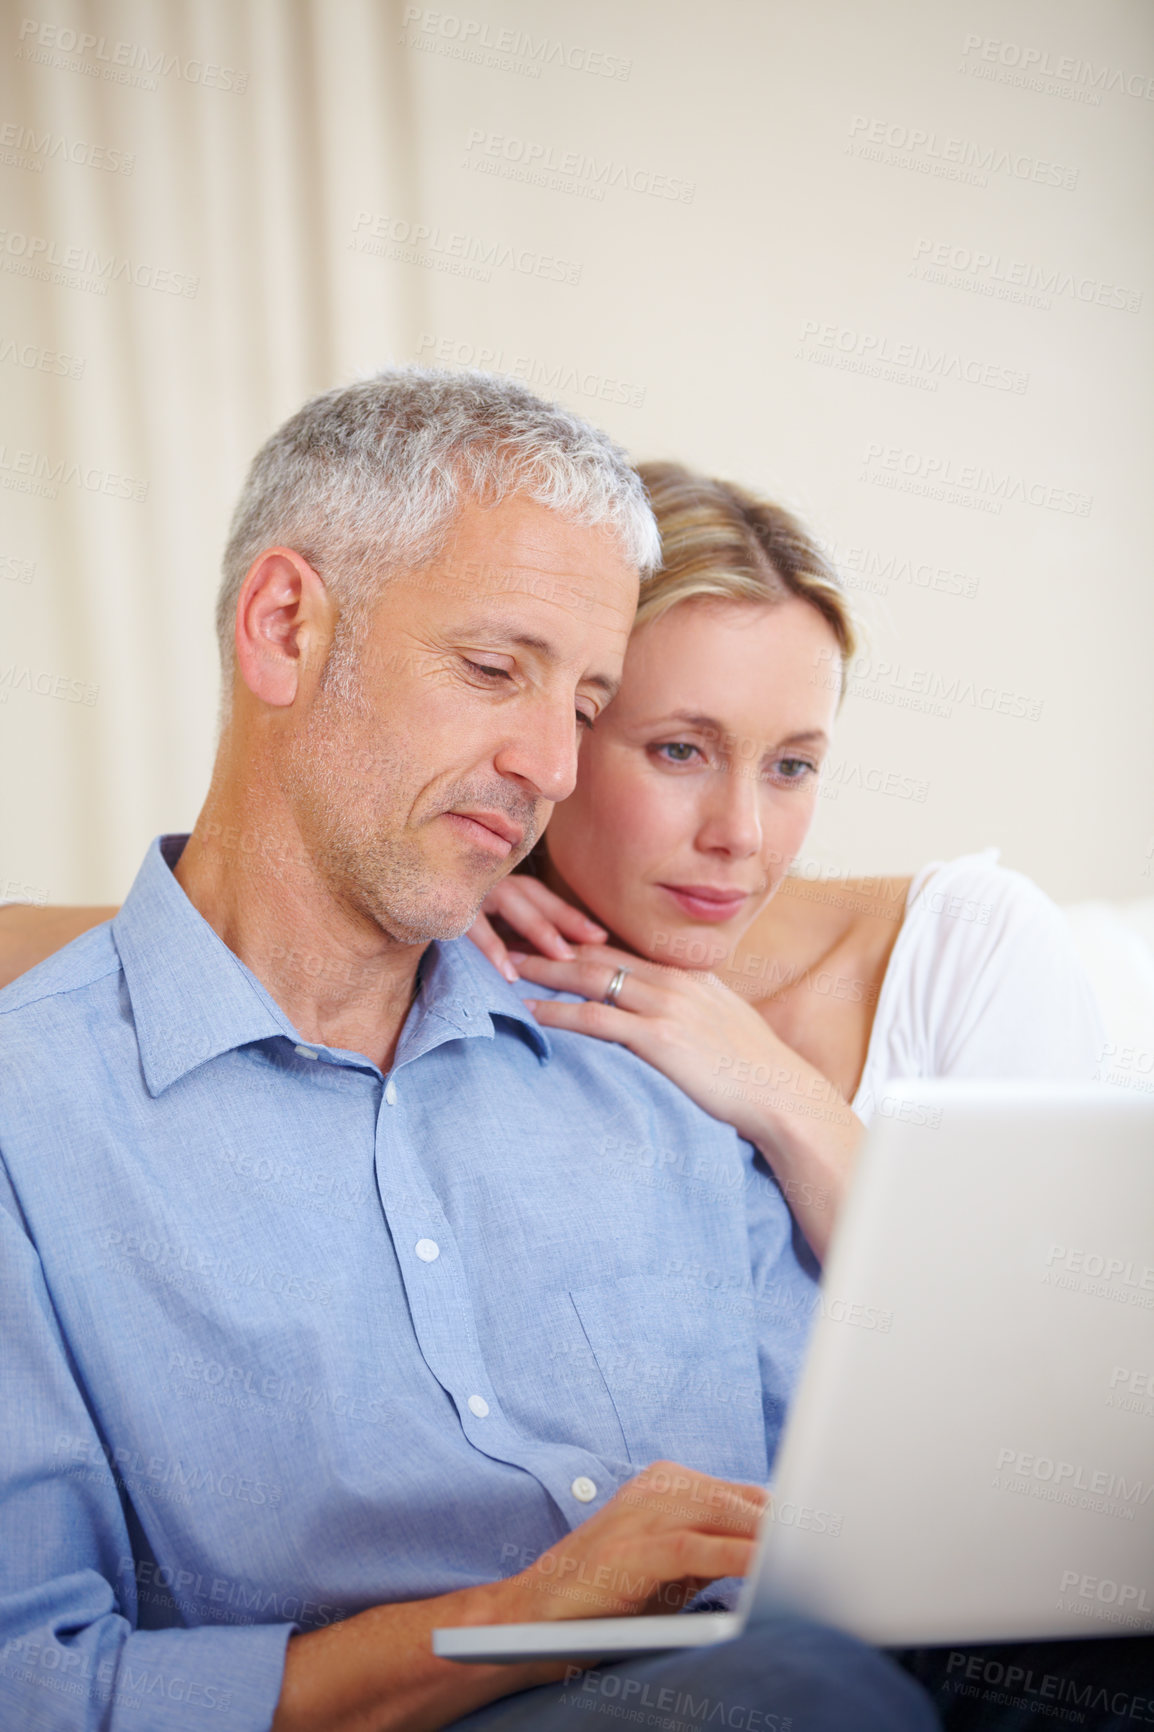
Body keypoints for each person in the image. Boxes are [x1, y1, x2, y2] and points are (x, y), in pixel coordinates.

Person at [0, 370, 938, 1732]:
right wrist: (506, 1625)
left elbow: (888, 1507)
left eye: (584, 702)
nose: (550, 764)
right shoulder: (38, 1121)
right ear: (284, 628)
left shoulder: (646, 1059)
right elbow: (34, 1688)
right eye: (495, 670)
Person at [465, 462, 1106, 1260]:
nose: (742, 834)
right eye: (680, 750)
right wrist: (453, 886)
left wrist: (779, 1092)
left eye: (791, 767)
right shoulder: (469, 965)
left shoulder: (971, 949)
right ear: (565, 730)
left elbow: (1031, 1340)